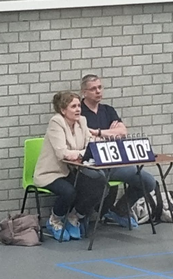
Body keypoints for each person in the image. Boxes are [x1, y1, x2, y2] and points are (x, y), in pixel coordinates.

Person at [79, 74, 158, 227]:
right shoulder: (79, 112)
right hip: (91, 164)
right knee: (99, 184)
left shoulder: (108, 110)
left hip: (113, 162)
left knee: (148, 181)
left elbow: (122, 132)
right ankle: (82, 216)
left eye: (100, 87)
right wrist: (109, 133)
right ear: (84, 92)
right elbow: (86, 137)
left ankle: (120, 210)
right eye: (93, 89)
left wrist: (99, 132)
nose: (98, 91)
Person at [33, 91, 108, 241]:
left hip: (72, 171)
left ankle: (74, 216)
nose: (78, 109)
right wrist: (83, 152)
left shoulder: (82, 121)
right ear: (63, 110)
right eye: (73, 106)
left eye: (79, 106)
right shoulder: (56, 122)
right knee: (69, 192)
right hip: (51, 173)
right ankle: (54, 220)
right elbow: (62, 153)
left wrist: (86, 149)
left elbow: (90, 143)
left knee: (101, 184)